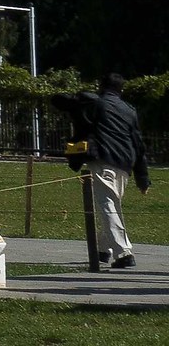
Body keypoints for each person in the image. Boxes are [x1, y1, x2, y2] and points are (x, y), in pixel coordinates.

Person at [53, 73, 152, 271]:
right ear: (121, 89)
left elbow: (60, 101)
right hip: (125, 163)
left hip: (103, 159)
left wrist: (77, 96)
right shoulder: (129, 110)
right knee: (111, 204)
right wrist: (143, 178)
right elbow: (138, 145)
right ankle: (103, 250)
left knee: (107, 205)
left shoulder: (95, 104)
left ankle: (124, 252)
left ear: (101, 86)